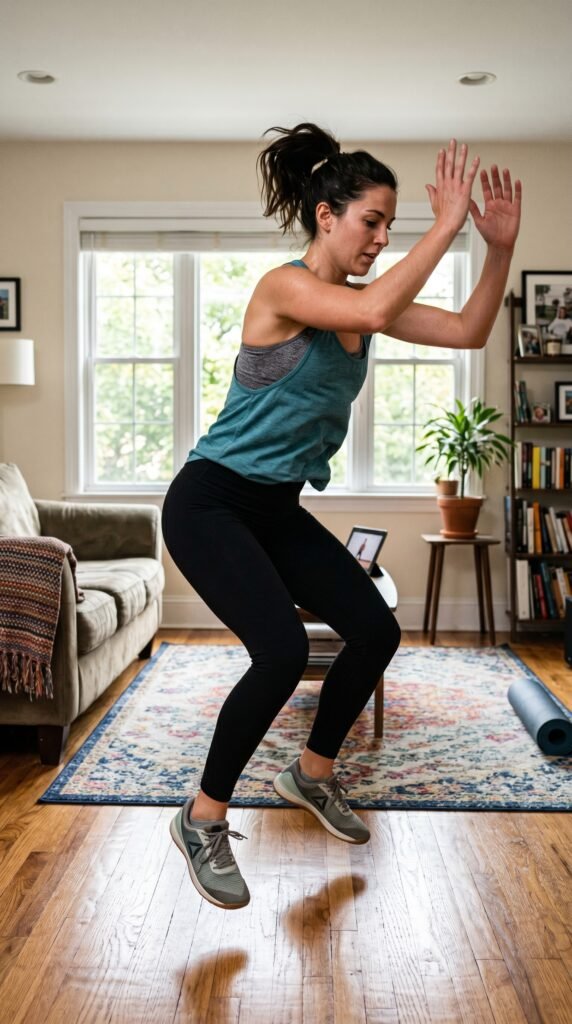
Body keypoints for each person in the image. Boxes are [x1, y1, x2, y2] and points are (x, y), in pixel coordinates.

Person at [162, 123, 522, 910]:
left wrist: (496, 250)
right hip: (210, 501)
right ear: (326, 217)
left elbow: (468, 331)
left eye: (392, 225)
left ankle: (312, 772)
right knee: (282, 651)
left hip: (274, 507)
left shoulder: (365, 306)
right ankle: (202, 817)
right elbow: (379, 307)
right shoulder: (284, 289)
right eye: (372, 221)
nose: (382, 238)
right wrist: (446, 225)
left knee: (375, 630)